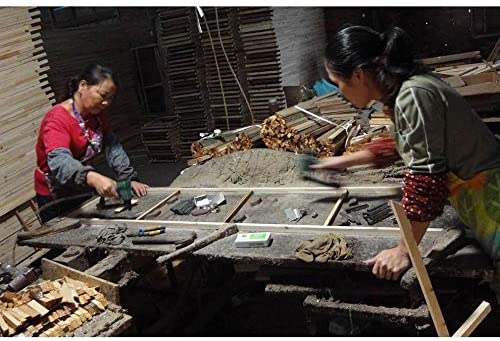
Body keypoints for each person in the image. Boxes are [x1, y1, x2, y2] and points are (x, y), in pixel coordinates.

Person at [311, 26, 500, 297]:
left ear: (358, 74)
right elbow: (402, 143)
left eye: (337, 83)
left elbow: (425, 179)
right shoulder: (410, 88)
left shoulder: (413, 94)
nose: (339, 92)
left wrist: (403, 251)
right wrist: (341, 161)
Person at [34, 63, 149, 223]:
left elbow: (112, 146)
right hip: (55, 195)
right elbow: (59, 161)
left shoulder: (96, 114)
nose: (106, 103)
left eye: (110, 98)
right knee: (67, 240)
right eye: (102, 95)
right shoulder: (57, 120)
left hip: (80, 185)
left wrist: (128, 178)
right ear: (83, 86)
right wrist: (92, 177)